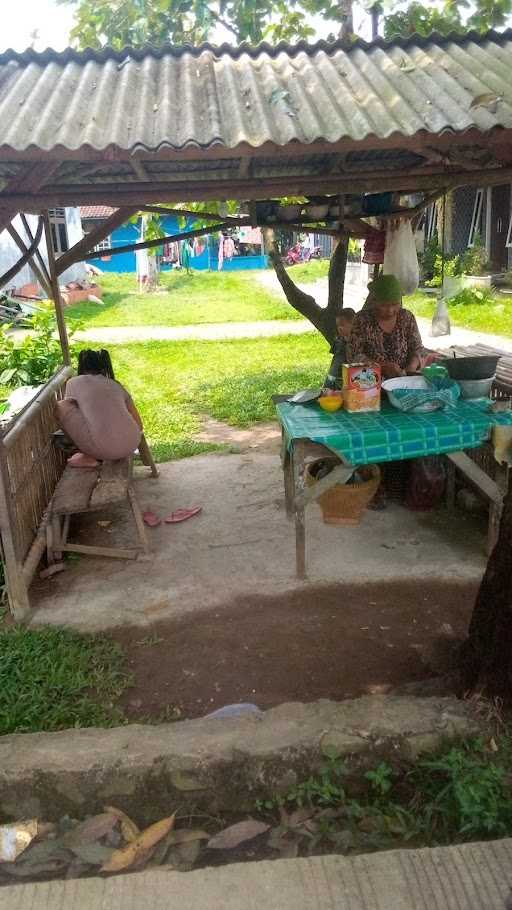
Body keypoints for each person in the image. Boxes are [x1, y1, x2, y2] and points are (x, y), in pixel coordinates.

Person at [56, 349, 143, 468]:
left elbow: (69, 412)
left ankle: (88, 456)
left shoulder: (73, 382)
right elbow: (139, 424)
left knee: (61, 406)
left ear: (81, 366)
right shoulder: (115, 384)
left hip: (104, 449)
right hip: (132, 443)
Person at [348, 274, 422, 379]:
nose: (390, 311)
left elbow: (417, 348)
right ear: (374, 301)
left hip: (403, 381)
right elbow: (354, 355)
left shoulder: (406, 318)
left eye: (395, 304)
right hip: (370, 383)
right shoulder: (362, 320)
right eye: (384, 305)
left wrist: (411, 368)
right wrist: (382, 367)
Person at [324, 309, 356, 389]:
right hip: (336, 378)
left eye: (342, 325)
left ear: (353, 324)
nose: (339, 328)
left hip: (352, 379)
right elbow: (335, 362)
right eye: (338, 325)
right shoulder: (338, 341)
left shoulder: (359, 342)